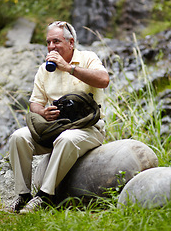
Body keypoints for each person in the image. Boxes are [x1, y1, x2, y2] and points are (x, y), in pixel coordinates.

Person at [7, 21, 109, 214]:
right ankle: (23, 195)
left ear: (71, 43)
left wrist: (69, 68)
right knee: (18, 137)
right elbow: (35, 103)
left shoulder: (88, 58)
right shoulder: (44, 69)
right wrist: (43, 112)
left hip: (88, 130)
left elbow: (104, 80)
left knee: (66, 139)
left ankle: (45, 196)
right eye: (48, 42)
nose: (51, 47)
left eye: (56, 41)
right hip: (56, 128)